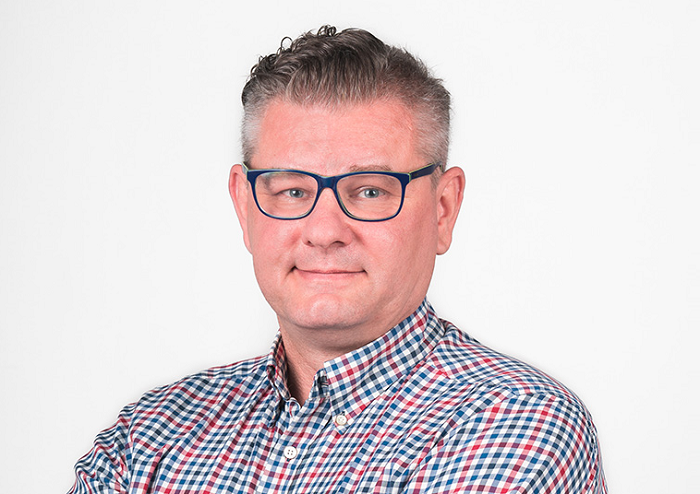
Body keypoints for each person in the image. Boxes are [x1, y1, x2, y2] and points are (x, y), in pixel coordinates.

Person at [68, 26, 606, 493]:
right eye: (292, 191)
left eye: (370, 190)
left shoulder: (516, 424)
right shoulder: (149, 437)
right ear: (244, 206)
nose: (324, 232)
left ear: (443, 209)